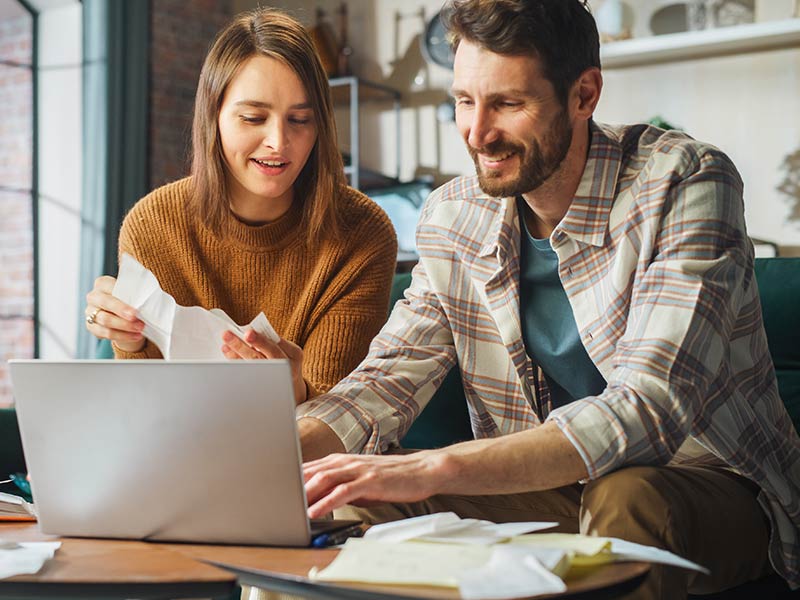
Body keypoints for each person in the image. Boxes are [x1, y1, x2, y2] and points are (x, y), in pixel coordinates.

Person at [295, 1, 800, 598]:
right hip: (549, 489)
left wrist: (436, 463)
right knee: (359, 496)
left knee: (626, 495)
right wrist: (270, 456)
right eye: (463, 101)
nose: (477, 132)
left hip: (703, 482)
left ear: (584, 94)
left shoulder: (684, 181)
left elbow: (650, 408)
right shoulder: (452, 217)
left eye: (507, 104)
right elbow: (384, 383)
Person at [83, 8, 397, 404]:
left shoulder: (362, 232)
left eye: (300, 120)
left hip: (313, 457)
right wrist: (124, 336)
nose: (278, 142)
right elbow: (146, 405)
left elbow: (342, 417)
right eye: (253, 118)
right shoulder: (154, 225)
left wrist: (292, 390)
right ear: (213, 116)